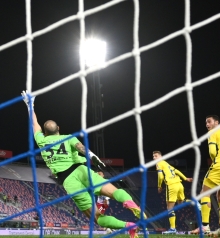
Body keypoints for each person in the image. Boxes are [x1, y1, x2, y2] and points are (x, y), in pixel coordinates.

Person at [21, 90, 141, 237]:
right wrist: (93, 156)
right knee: (114, 192)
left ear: (45, 133)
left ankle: (128, 226)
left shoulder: (41, 141)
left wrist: (30, 105)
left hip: (69, 180)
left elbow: (35, 124)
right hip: (82, 170)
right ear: (59, 129)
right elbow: (81, 148)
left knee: (97, 218)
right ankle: (130, 203)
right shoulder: (68, 138)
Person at [190, 115, 220, 238]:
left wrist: (214, 161)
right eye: (206, 122)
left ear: (216, 122)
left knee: (204, 192)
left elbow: (212, 152)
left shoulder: (213, 132)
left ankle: (205, 226)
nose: (207, 124)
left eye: (209, 121)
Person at [152, 151, 192, 235]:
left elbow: (160, 176)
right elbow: (176, 171)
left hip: (172, 186)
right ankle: (192, 202)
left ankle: (173, 229)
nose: (154, 158)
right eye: (153, 156)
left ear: (160, 157)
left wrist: (159, 186)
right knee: (181, 202)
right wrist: (185, 178)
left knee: (170, 208)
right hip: (179, 184)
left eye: (156, 156)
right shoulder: (166, 163)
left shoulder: (159, 163)